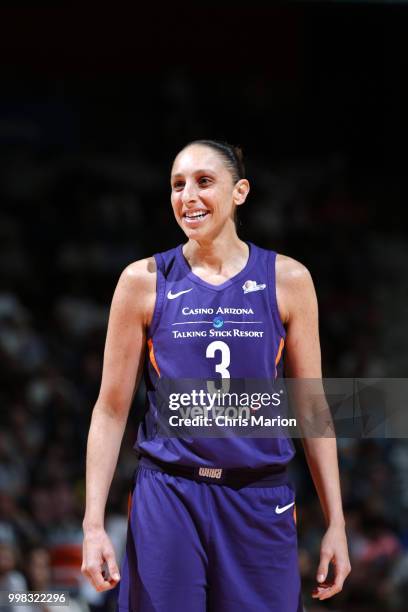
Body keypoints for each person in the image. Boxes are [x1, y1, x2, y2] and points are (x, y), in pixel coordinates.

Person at [81, 139, 351, 611]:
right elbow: (110, 409)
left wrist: (336, 523)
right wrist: (93, 524)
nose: (188, 195)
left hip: (258, 497)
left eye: (204, 182)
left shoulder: (288, 279)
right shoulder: (142, 280)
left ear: (239, 191)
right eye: (177, 185)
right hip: (169, 495)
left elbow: (311, 407)